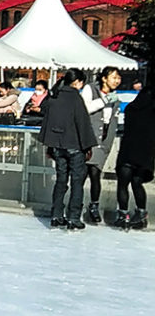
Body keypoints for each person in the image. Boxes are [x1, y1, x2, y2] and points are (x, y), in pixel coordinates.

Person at [40, 69, 98, 230]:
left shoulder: (55, 96)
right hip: (74, 146)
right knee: (77, 182)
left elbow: (46, 117)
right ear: (77, 82)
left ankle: (56, 215)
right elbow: (82, 122)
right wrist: (87, 146)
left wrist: (49, 145)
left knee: (61, 180)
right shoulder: (75, 98)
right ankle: (73, 217)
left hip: (58, 146)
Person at [113, 75, 155, 229]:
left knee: (122, 184)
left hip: (127, 151)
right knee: (137, 183)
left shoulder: (131, 108)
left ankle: (123, 215)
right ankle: (141, 214)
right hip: (145, 154)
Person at [81, 66, 121, 223]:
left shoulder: (115, 98)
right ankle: (75, 204)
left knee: (96, 173)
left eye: (118, 78)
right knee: (82, 173)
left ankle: (94, 205)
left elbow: (112, 121)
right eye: (113, 77)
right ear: (104, 78)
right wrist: (104, 100)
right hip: (88, 138)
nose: (117, 81)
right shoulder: (90, 89)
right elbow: (85, 109)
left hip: (103, 141)